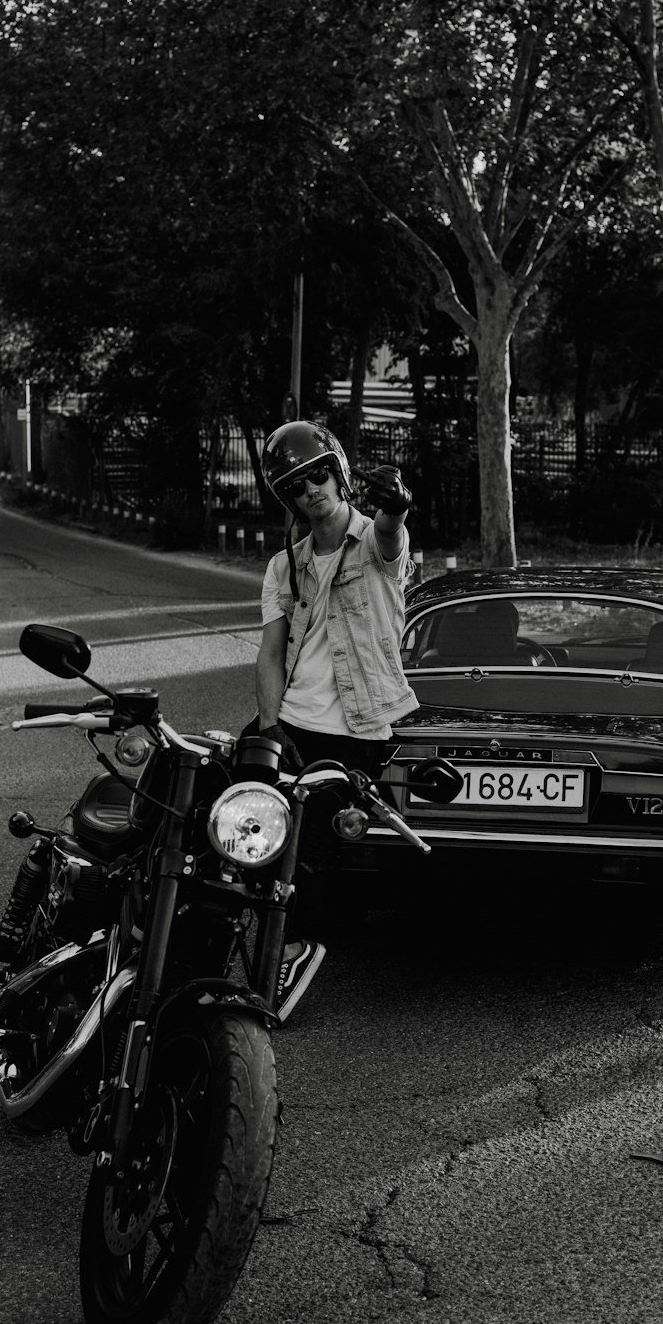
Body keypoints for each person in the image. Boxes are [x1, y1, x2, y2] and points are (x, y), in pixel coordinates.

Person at [255, 420, 419, 1020]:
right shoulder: (285, 567)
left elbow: (392, 538)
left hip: (358, 729)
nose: (312, 490)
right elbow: (271, 652)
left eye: (320, 475)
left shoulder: (375, 544)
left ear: (340, 473)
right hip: (294, 722)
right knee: (225, 811)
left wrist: (396, 509)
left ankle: (290, 951)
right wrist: (269, 727)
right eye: (297, 486)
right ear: (288, 499)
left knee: (309, 846)